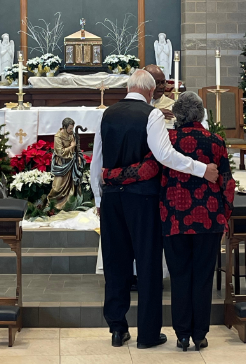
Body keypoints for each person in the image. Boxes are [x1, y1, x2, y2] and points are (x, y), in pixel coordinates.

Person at [90, 70, 219, 349]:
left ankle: (117, 327)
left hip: (112, 198)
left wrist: (99, 202)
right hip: (143, 199)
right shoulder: (152, 114)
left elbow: (95, 164)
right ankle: (147, 335)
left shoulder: (106, 114)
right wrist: (201, 169)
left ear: (129, 88)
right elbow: (165, 156)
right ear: (150, 92)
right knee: (147, 264)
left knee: (116, 263)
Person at [140, 91, 235, 351]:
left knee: (180, 275)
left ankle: (182, 335)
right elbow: (227, 181)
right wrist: (225, 215)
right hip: (209, 218)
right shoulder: (215, 141)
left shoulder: (167, 140)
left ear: (178, 115)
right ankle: (200, 334)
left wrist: (113, 175)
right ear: (201, 114)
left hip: (174, 218)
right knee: (203, 277)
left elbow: (149, 171)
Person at [46, 118, 86, 209]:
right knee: (57, 187)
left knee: (71, 185)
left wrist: (79, 156)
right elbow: (60, 153)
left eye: (72, 128)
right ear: (64, 127)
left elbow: (77, 149)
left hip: (71, 162)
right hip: (62, 164)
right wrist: (72, 146)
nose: (72, 130)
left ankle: (68, 204)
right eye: (70, 128)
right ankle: (52, 203)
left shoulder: (72, 135)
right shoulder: (58, 137)